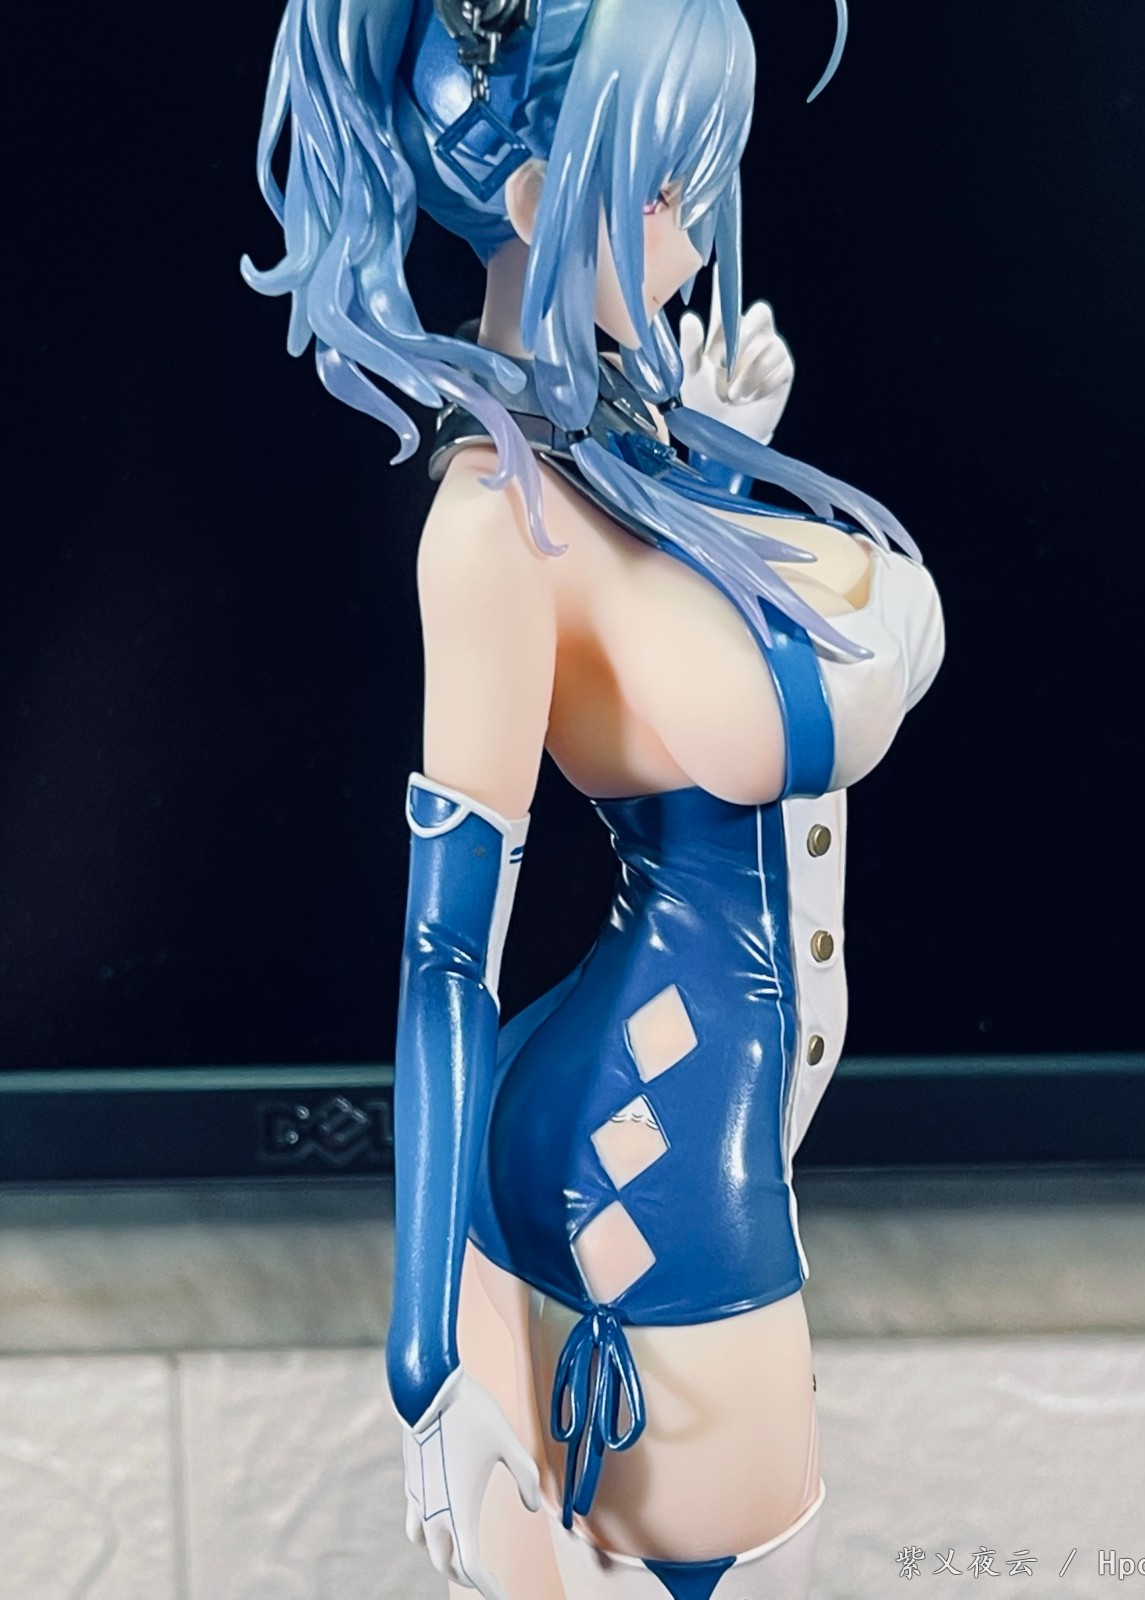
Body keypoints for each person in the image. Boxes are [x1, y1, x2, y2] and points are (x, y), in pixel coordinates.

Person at [243, 2, 944, 1596]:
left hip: (674, 1108)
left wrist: (718, 475)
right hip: (651, 1143)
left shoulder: (618, 451)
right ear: (539, 195)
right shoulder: (493, 526)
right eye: (665, 188)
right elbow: (443, 957)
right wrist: (426, 1368)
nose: (697, 236)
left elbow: (681, 685)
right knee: (732, 1557)